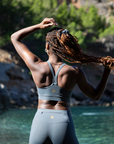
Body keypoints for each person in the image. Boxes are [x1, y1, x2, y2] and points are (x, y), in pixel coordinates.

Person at [11, 18, 113, 144]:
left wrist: (39, 26)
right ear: (66, 48)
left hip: (40, 120)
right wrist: (107, 71)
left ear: (47, 46)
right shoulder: (74, 72)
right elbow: (96, 96)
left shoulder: (36, 66)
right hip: (62, 121)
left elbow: (15, 37)